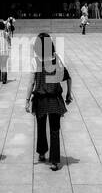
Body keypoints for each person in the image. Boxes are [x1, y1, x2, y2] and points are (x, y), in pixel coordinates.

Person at [26, 33, 72, 170]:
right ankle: (54, 160)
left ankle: (41, 152)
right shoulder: (58, 59)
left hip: (40, 99)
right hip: (55, 99)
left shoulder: (35, 61)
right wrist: (69, 94)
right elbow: (68, 77)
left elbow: (31, 83)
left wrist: (27, 100)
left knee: (41, 127)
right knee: (55, 129)